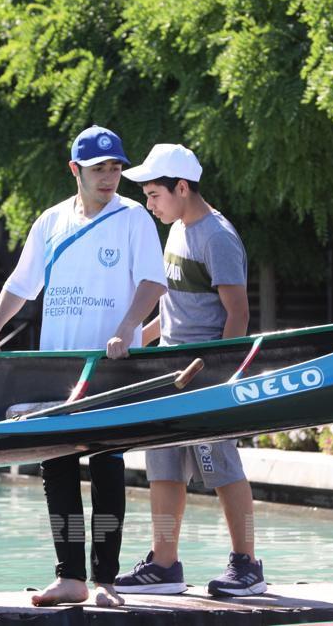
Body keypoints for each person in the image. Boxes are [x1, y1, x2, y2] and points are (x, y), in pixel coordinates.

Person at [0, 125, 167, 608]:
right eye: (99, 168)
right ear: (75, 170)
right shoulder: (51, 221)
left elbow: (152, 282)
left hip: (109, 364)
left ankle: (106, 580)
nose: (110, 177)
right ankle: (69, 578)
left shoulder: (132, 218)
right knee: (55, 466)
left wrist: (126, 328)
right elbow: (20, 284)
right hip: (56, 365)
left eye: (116, 167)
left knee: (106, 466)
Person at [113, 144, 265, 597]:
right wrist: (142, 341)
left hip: (205, 376)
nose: (149, 204)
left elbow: (237, 313)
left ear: (182, 187)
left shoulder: (217, 236)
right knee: (162, 469)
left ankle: (248, 565)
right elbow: (173, 305)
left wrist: (221, 377)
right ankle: (163, 565)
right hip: (170, 374)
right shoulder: (177, 228)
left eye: (155, 194)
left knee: (221, 467)